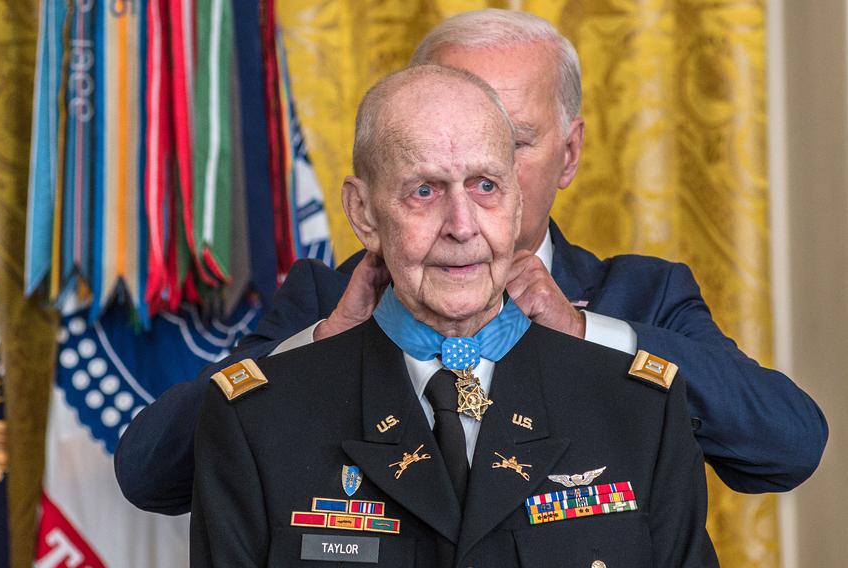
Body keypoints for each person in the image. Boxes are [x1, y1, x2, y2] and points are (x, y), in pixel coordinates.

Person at [115, 9, 827, 515]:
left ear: (570, 154)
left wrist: (589, 337)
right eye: (435, 149)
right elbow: (153, 475)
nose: (472, 181)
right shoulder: (327, 298)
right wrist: (321, 347)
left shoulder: (641, 297)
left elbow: (787, 447)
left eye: (507, 142)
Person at [191, 64, 718, 567]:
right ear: (364, 214)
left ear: (516, 203)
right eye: (424, 191)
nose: (462, 226)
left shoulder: (637, 409)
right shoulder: (259, 418)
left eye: (485, 185)